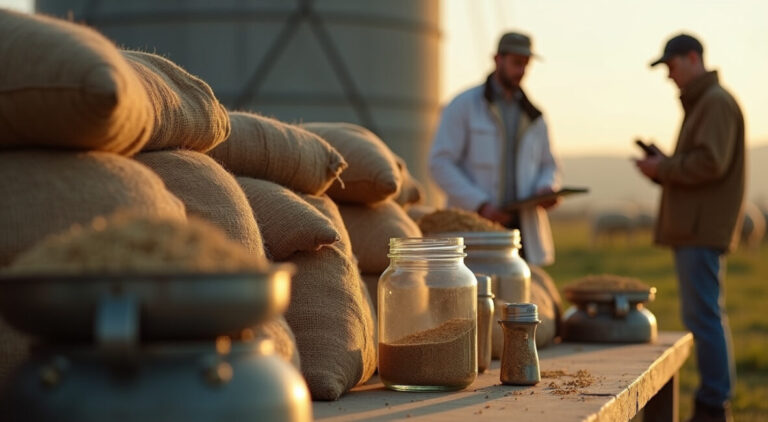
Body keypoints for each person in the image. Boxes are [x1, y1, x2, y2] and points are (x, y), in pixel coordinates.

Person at [636, 33, 744, 422]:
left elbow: (709, 163)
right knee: (703, 315)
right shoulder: (707, 103)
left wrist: (662, 168)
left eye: (672, 66)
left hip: (701, 229)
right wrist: (664, 165)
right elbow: (703, 162)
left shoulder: (714, 103)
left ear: (693, 58)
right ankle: (713, 401)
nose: (669, 76)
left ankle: (713, 405)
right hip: (698, 227)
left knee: (704, 317)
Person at [428, 31, 561, 266]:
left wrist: (546, 189)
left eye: (526, 65)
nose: (521, 71)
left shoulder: (535, 116)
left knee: (522, 298)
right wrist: (480, 204)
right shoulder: (463, 106)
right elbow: (440, 163)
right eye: (516, 63)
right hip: (474, 228)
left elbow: (548, 165)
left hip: (522, 233)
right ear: (497, 59)